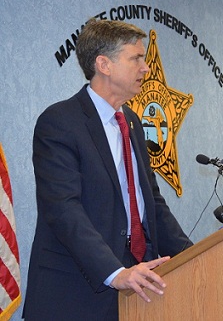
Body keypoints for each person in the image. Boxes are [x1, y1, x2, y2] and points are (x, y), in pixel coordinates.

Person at [24, 19, 193, 321]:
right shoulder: (60, 122)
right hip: (77, 294)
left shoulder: (132, 122)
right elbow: (64, 209)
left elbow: (151, 203)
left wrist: (194, 258)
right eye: (136, 58)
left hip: (137, 288)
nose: (146, 67)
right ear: (104, 64)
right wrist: (115, 272)